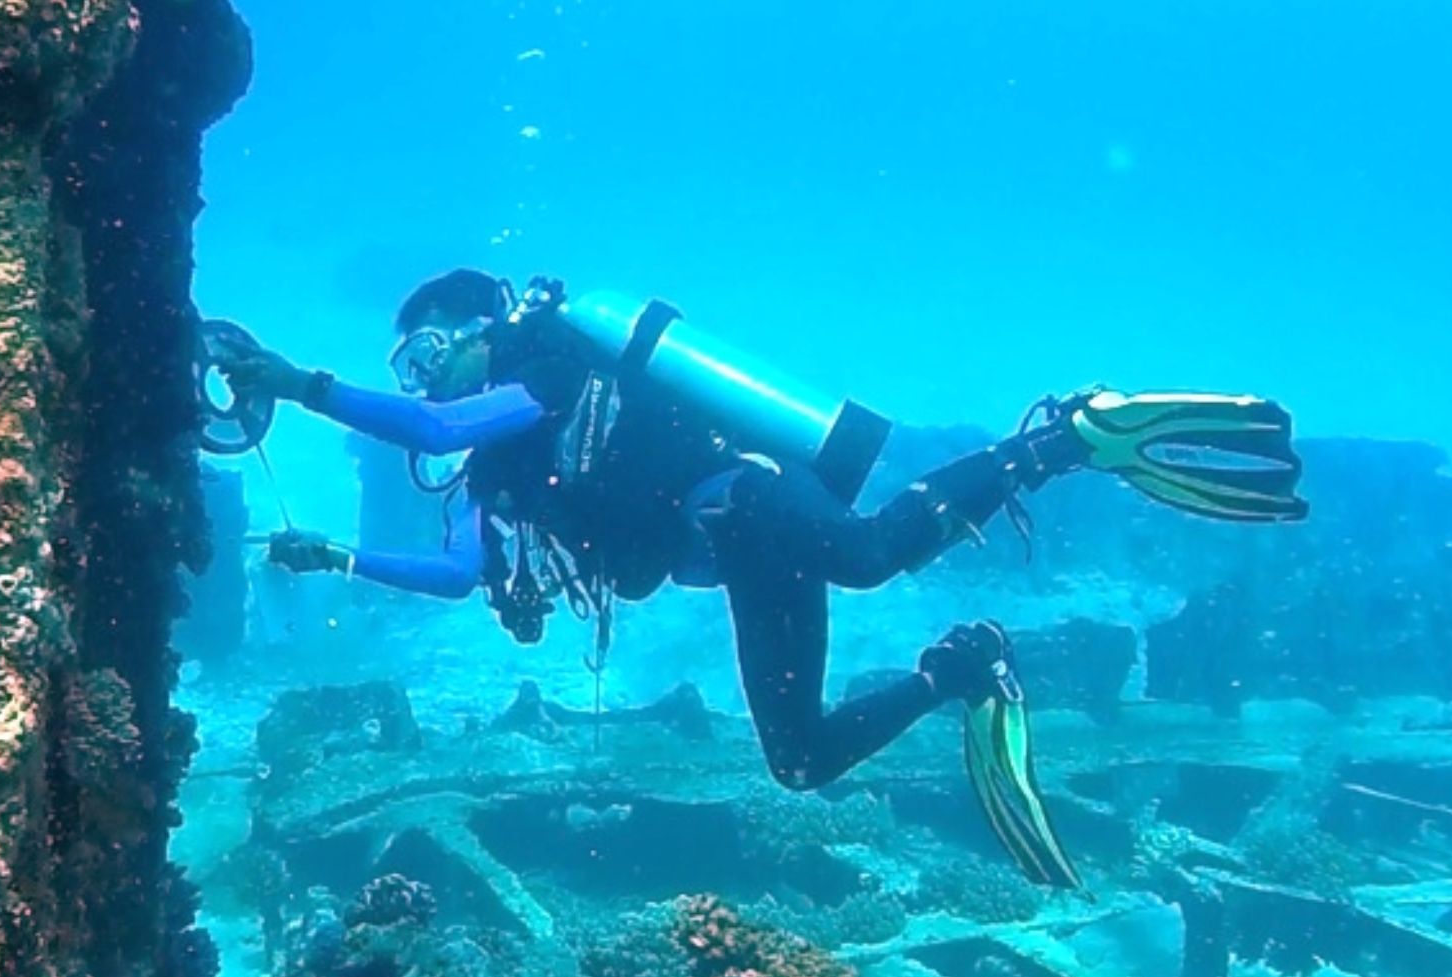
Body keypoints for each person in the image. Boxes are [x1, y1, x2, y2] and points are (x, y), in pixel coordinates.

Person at [202, 269, 1307, 888]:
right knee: (797, 759)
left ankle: (1066, 436)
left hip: (742, 500)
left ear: (480, 326)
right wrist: (341, 555)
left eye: (427, 346)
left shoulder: (544, 366)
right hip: (734, 557)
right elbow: (458, 576)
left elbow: (435, 418)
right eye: (407, 361)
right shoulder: (496, 468)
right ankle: (962, 670)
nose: (421, 369)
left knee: (871, 555)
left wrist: (302, 384)